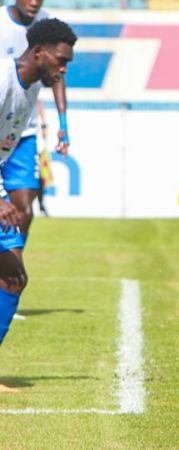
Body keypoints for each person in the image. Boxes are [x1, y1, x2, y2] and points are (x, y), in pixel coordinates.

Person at [0, 18, 76, 393]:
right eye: (61, 61)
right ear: (38, 53)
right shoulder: (2, 81)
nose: (63, 70)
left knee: (13, 278)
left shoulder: (29, 90)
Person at [0, 0, 71, 249]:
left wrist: (63, 122)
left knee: (24, 211)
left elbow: (58, 76)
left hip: (21, 132)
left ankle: (11, 261)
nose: (34, 2)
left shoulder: (48, 23)